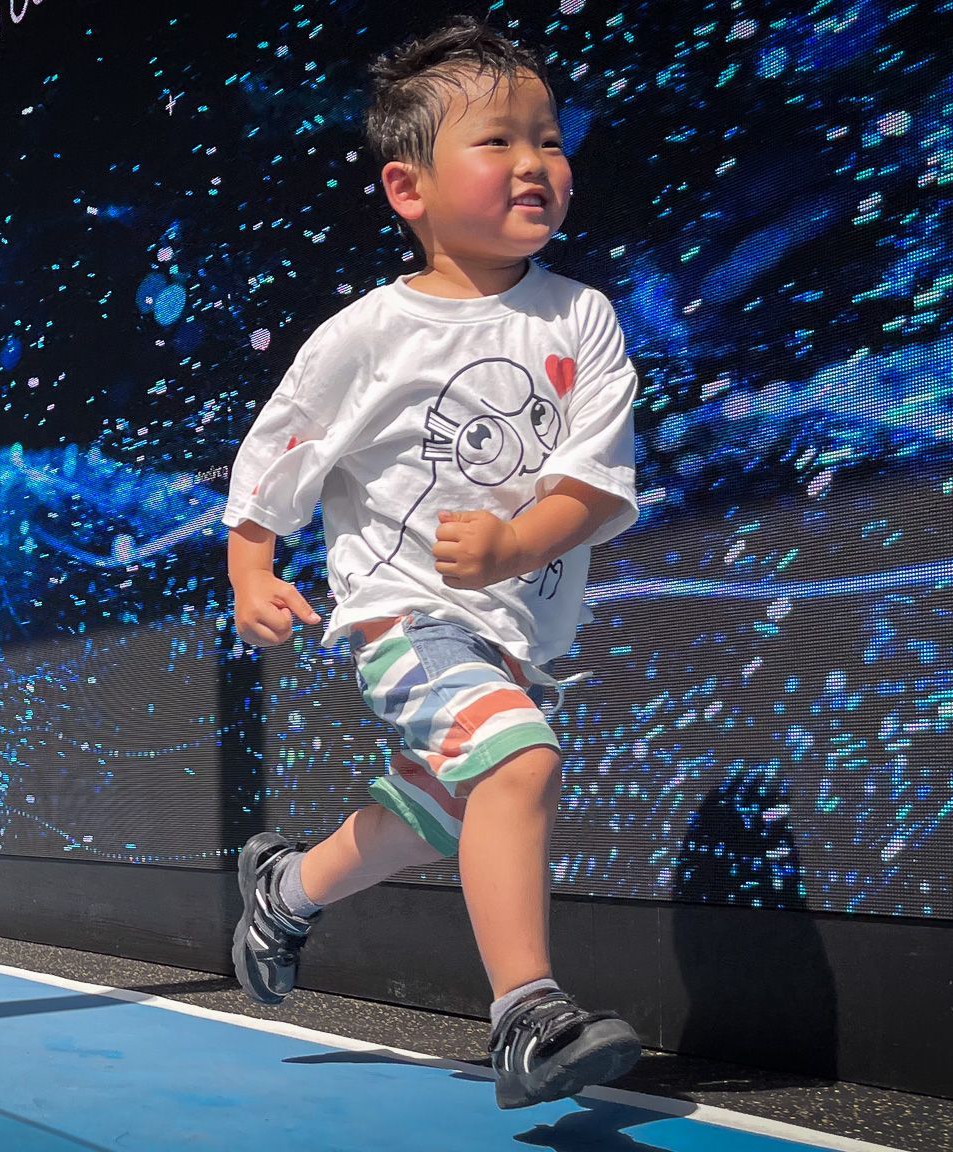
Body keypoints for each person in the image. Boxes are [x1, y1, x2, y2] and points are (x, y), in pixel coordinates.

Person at [222, 18, 643, 1109]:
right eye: (497, 143)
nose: (533, 165)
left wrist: (513, 542)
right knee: (516, 765)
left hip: (519, 631)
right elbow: (279, 452)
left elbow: (598, 484)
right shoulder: (368, 334)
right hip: (401, 618)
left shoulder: (582, 317)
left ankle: (285, 888)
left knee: (442, 810)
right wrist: (248, 563)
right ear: (407, 190)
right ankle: (525, 1017)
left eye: (546, 140)